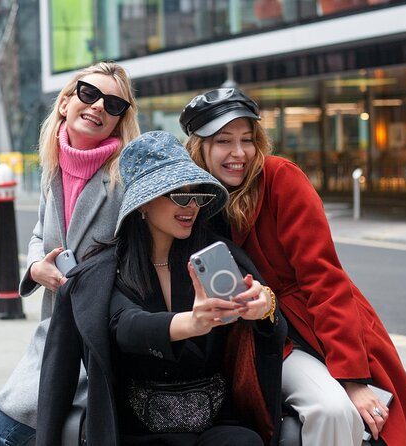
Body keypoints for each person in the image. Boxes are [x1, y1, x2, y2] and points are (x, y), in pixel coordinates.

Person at [180, 87, 406, 445]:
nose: (239, 153)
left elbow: (324, 280)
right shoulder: (190, 196)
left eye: (247, 139)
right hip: (245, 340)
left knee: (333, 409)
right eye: (223, 141)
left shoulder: (280, 178)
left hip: (313, 329)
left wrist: (352, 378)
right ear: (200, 147)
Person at [37, 131, 286, 445]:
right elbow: (126, 325)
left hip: (219, 423)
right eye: (179, 195)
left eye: (198, 195)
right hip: (138, 432)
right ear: (143, 203)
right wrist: (191, 323)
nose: (192, 205)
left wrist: (264, 306)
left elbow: (266, 331)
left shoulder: (220, 256)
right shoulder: (101, 273)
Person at [0, 61, 140, 445]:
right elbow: (38, 234)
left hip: (96, 341)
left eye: (112, 105)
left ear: (118, 121)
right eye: (89, 94)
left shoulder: (125, 177)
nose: (97, 107)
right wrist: (35, 267)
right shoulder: (54, 169)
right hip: (55, 335)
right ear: (65, 103)